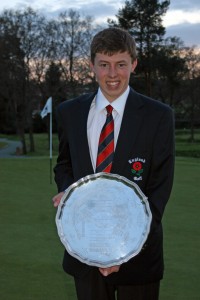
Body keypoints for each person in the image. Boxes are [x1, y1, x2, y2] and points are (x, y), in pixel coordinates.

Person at [52, 27, 175, 300]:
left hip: (139, 257)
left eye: (121, 64)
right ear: (92, 65)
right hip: (85, 250)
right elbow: (64, 164)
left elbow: (159, 188)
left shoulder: (158, 116)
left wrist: (126, 249)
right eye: (104, 65)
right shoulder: (69, 112)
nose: (112, 74)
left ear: (133, 64)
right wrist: (69, 193)